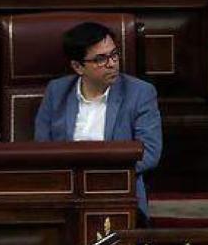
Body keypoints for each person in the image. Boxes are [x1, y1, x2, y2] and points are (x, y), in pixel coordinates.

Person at [34, 22, 162, 223]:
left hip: (118, 192)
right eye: (101, 59)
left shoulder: (140, 93)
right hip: (64, 194)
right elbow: (42, 148)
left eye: (114, 54)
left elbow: (150, 153)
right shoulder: (56, 92)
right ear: (78, 66)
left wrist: (98, 178)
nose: (112, 63)